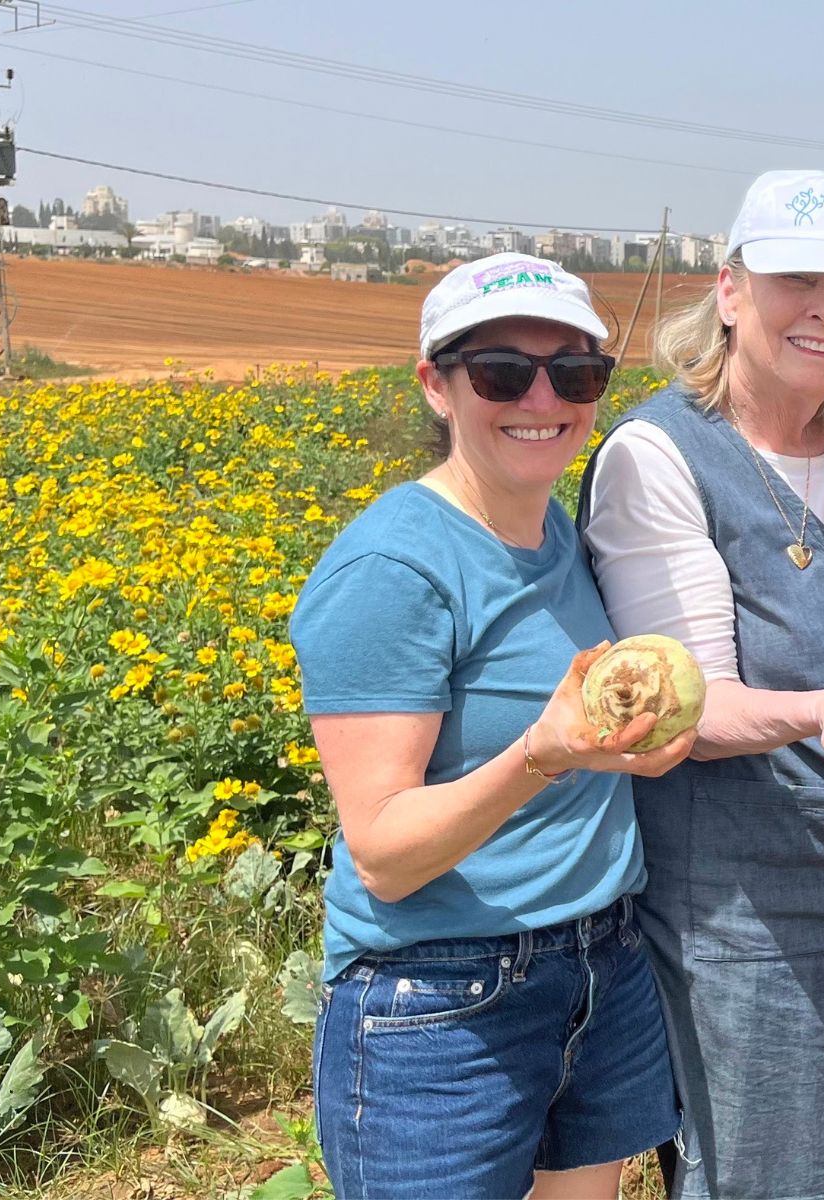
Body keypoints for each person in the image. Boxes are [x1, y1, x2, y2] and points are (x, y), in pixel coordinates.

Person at [576, 170, 824, 1200]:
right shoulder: (659, 457)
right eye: (796, 279)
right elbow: (688, 706)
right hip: (755, 922)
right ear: (728, 290)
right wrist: (820, 714)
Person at [292, 253, 695, 1199]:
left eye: (576, 372)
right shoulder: (392, 571)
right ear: (437, 384)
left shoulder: (556, 528)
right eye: (503, 372)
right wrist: (543, 757)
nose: (542, 396)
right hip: (443, 1000)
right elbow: (385, 853)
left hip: (601, 963)